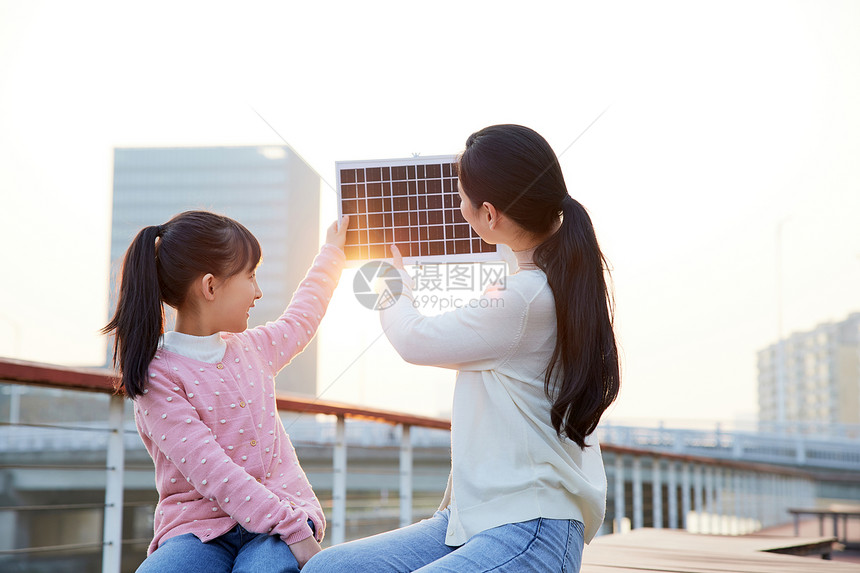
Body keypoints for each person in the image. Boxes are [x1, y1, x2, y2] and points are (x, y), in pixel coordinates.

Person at [304, 125, 620, 573]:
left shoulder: (525, 299)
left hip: (531, 528)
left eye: (461, 199)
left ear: (490, 215)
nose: (456, 207)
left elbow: (413, 338)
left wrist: (389, 280)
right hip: (472, 521)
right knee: (325, 570)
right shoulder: (542, 282)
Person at [103, 210, 348, 572]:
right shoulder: (158, 375)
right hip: (198, 531)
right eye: (250, 276)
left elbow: (303, 314)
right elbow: (215, 472)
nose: (258, 291)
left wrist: (332, 253)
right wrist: (296, 532)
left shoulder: (254, 348)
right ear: (211, 287)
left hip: (282, 517)